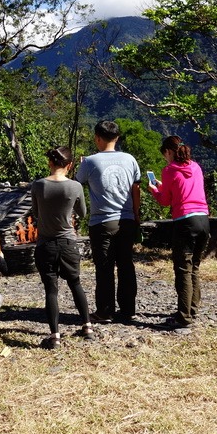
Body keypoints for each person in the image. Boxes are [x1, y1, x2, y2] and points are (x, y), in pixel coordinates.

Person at [75, 120, 141, 323]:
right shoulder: (130, 159)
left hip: (101, 222)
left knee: (104, 268)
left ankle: (105, 311)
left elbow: (77, 185)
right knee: (126, 265)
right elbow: (136, 189)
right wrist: (136, 215)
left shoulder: (89, 162)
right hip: (127, 219)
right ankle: (128, 309)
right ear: (117, 138)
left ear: (97, 138)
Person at [31, 145, 93, 349]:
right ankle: (87, 326)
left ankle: (55, 335)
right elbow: (83, 213)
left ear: (50, 162)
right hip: (67, 242)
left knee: (51, 290)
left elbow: (36, 213)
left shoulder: (38, 185)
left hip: (45, 244)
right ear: (70, 164)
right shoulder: (75, 187)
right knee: (75, 283)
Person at [147, 135, 210, 327]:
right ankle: (192, 309)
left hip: (185, 222)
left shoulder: (169, 170)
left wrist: (154, 190)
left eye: (164, 154)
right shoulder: (196, 167)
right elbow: (183, 188)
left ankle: (183, 317)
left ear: (168, 152)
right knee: (194, 268)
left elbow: (166, 200)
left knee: (183, 270)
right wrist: (163, 186)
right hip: (204, 220)